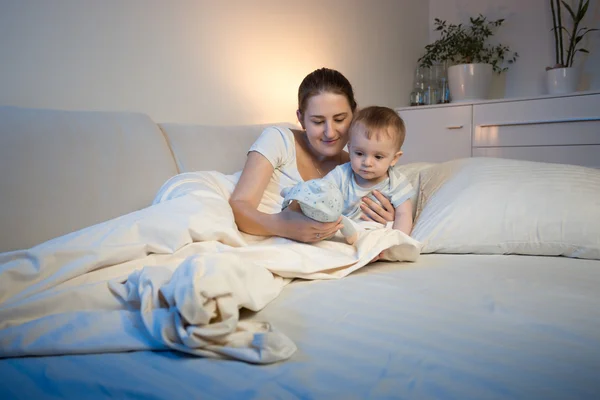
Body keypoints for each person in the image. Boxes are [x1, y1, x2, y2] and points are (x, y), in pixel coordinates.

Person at [229, 67, 397, 244]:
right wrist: (285, 226)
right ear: (301, 119)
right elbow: (240, 206)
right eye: (318, 121)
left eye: (339, 119)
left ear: (355, 115)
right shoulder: (279, 140)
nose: (330, 132)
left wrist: (388, 218)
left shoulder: (359, 165)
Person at [321, 106, 414, 236]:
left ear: (394, 158)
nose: (367, 162)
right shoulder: (341, 175)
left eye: (378, 157)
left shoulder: (396, 182)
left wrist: (397, 241)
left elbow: (404, 215)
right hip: (344, 230)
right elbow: (320, 192)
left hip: (377, 233)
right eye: (359, 153)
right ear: (349, 148)